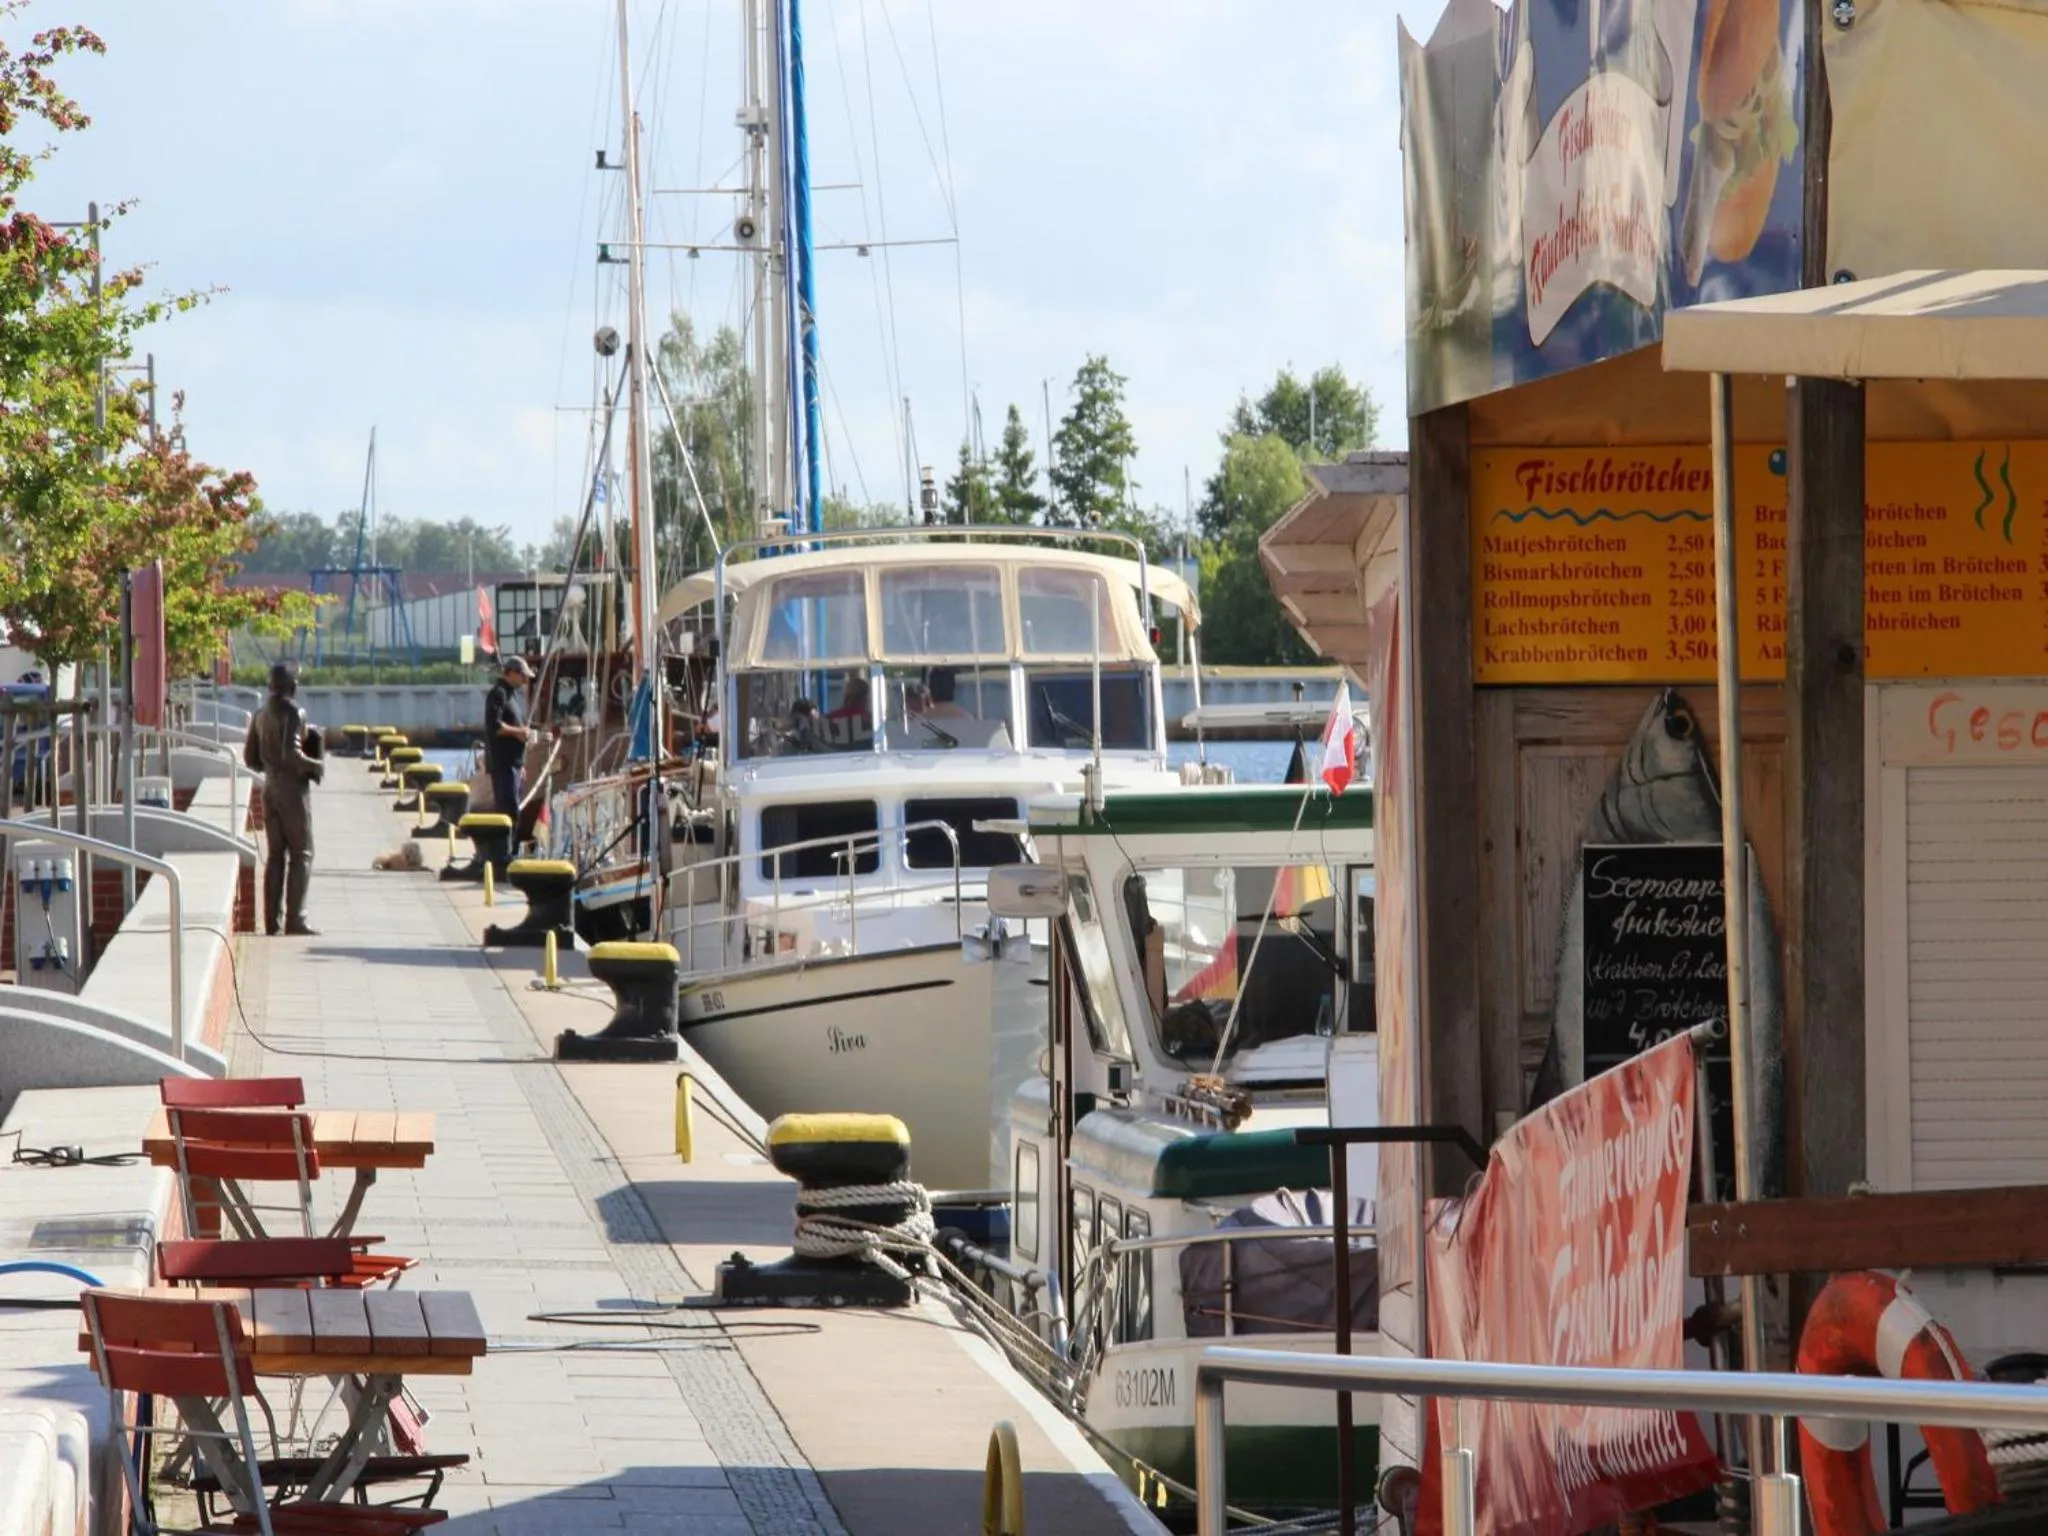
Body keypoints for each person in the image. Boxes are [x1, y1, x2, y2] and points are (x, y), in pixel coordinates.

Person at [242, 660, 324, 936]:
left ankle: (271, 921)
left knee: (276, 855)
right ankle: (295, 919)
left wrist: (270, 766)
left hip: (269, 789)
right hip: (292, 791)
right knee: (302, 853)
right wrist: (315, 765)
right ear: (291, 685)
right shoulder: (294, 712)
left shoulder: (260, 714)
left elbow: (249, 758)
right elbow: (293, 753)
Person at [485, 654, 538, 826]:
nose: (525, 680)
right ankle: (505, 851)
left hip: (513, 765)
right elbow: (495, 725)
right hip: (503, 764)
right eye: (522, 675)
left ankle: (510, 850)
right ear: (511, 673)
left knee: (514, 808)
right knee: (509, 809)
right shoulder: (498, 694)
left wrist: (520, 764)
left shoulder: (511, 696)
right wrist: (519, 732)